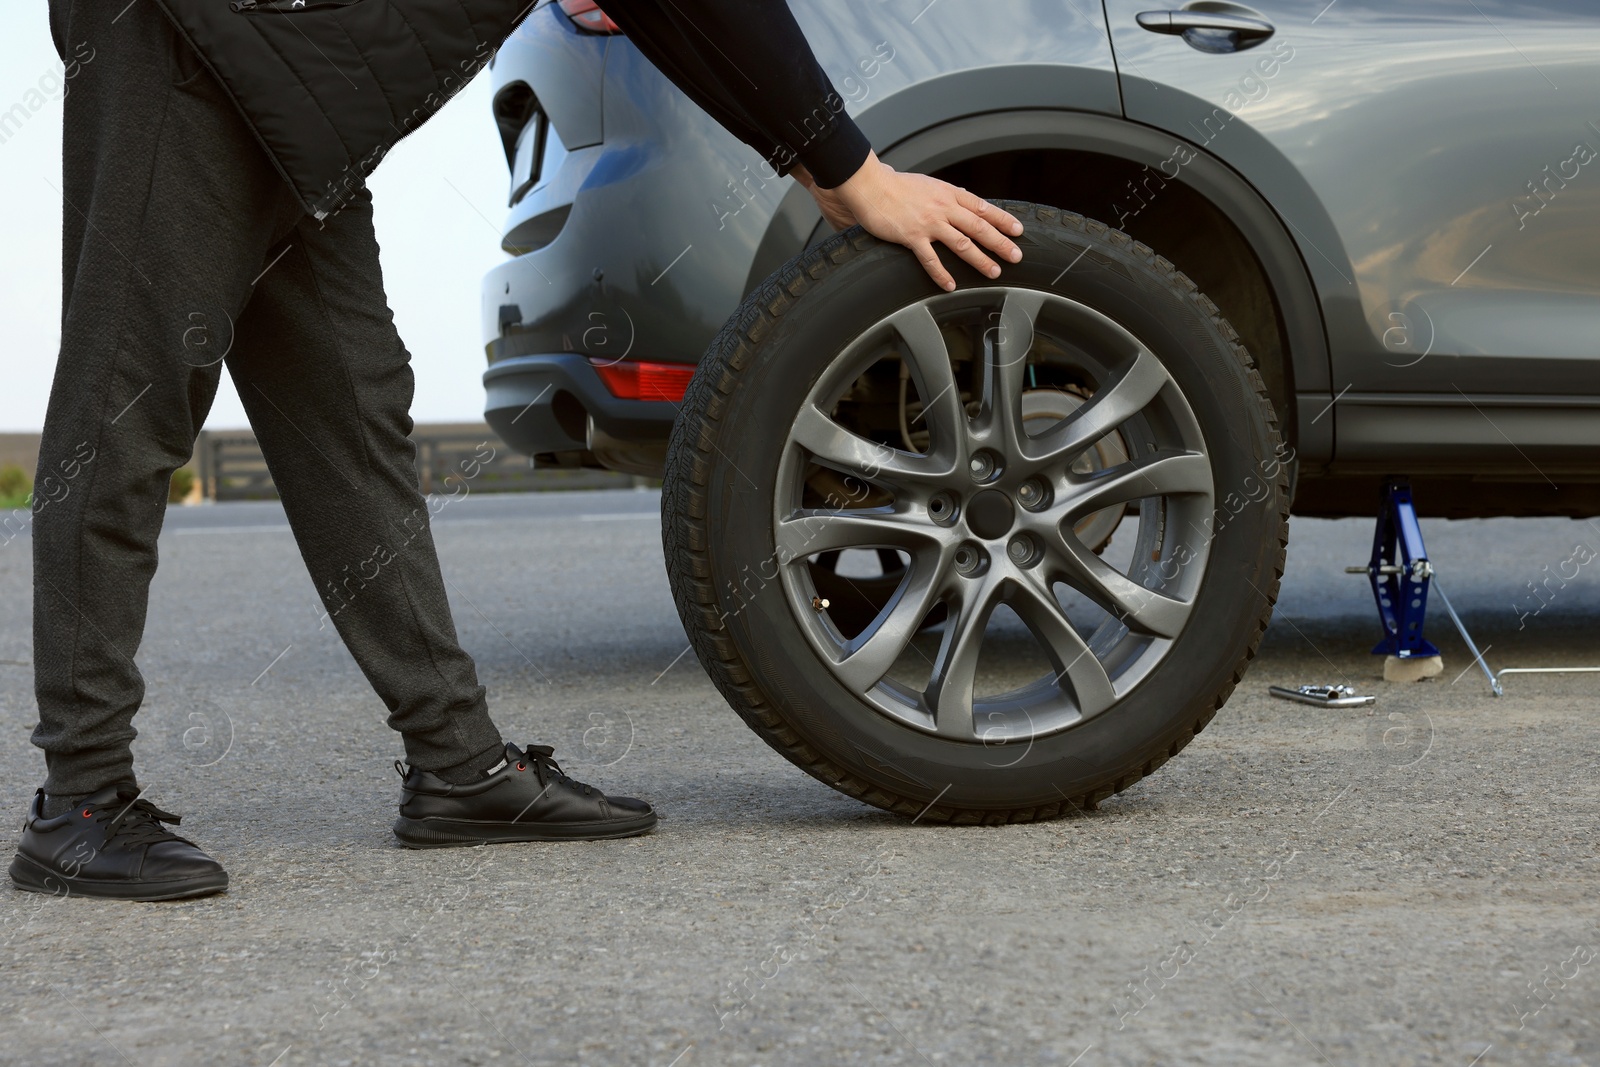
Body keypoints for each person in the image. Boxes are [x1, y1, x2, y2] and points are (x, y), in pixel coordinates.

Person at [11, 0, 1025, 901]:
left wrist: (825, 160)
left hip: (297, 86)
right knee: (127, 406)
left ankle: (454, 763)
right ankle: (80, 801)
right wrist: (850, 171)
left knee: (352, 408)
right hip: (196, 39)